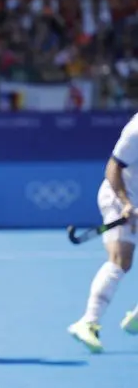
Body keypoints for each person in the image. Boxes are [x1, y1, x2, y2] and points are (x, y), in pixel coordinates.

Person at [68, 112, 138, 351]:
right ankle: (87, 322)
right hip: (120, 195)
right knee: (121, 260)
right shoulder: (136, 129)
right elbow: (113, 167)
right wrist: (126, 203)